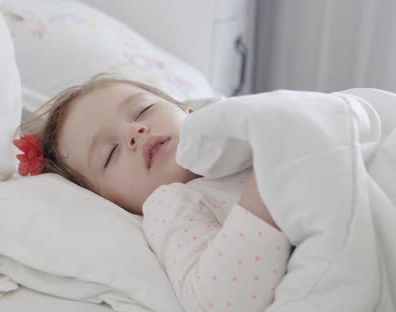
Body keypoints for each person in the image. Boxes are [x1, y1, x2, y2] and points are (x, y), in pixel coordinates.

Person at [18, 74, 291, 311]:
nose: (133, 131)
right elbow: (219, 300)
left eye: (143, 110)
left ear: (189, 111)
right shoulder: (171, 204)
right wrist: (264, 184)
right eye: (110, 153)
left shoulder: (238, 127)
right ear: (110, 202)